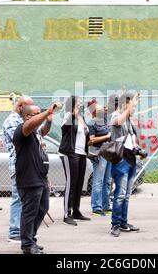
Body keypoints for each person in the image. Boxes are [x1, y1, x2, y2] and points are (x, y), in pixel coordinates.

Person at [13, 103, 59, 254]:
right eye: (37, 113)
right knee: (29, 211)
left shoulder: (34, 132)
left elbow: (43, 131)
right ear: (27, 116)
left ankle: (31, 238)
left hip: (40, 178)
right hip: (29, 179)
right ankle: (26, 244)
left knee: (43, 208)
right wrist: (46, 113)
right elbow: (31, 125)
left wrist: (49, 120)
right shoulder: (22, 129)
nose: (41, 115)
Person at [109, 92, 141, 237]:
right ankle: (115, 224)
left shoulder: (130, 120)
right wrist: (129, 107)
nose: (135, 107)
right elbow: (118, 122)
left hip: (130, 160)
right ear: (125, 104)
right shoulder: (116, 115)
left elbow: (132, 138)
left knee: (127, 195)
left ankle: (123, 222)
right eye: (133, 104)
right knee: (120, 194)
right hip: (120, 161)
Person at [2, 96, 33, 242]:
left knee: (27, 199)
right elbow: (22, 139)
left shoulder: (22, 120)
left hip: (28, 165)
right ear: (20, 106)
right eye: (29, 107)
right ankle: (15, 231)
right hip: (18, 164)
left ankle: (24, 230)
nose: (32, 110)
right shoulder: (11, 121)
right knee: (18, 198)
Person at [59, 96, 91, 226]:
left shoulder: (81, 117)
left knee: (79, 184)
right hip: (70, 153)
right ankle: (67, 214)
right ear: (71, 104)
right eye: (77, 102)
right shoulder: (68, 116)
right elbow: (65, 129)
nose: (80, 103)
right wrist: (73, 114)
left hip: (82, 153)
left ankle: (76, 211)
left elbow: (84, 133)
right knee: (71, 183)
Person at [87, 100, 112, 216]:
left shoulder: (104, 120)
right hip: (98, 154)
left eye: (102, 110)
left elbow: (110, 108)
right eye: (99, 110)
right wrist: (107, 136)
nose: (102, 111)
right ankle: (96, 207)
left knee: (107, 181)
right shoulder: (92, 123)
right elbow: (91, 140)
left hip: (107, 153)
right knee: (98, 180)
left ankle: (106, 205)